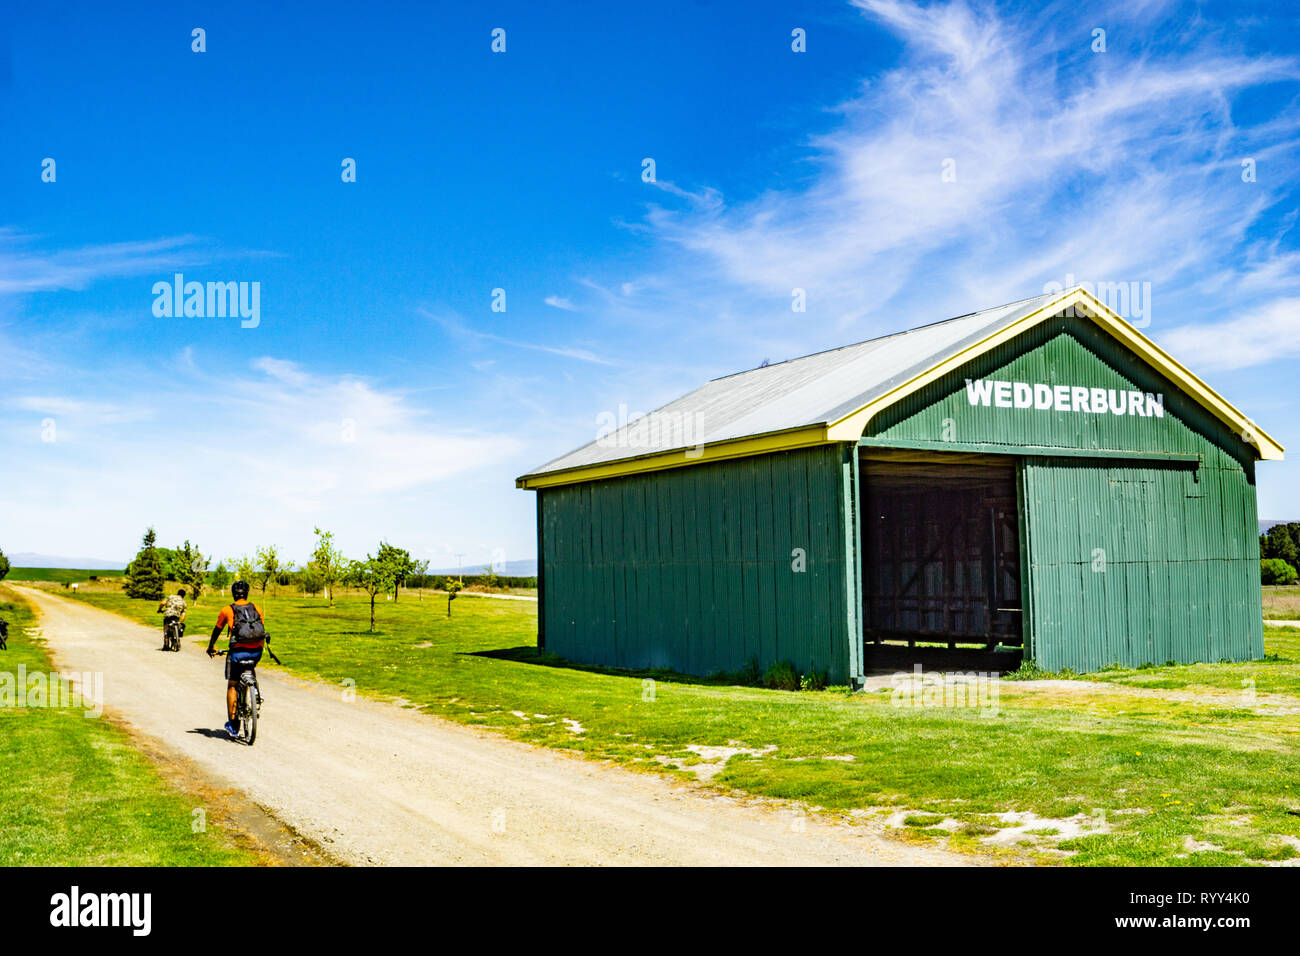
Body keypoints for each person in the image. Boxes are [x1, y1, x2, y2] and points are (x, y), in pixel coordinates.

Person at [205, 580, 269, 738]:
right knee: (249, 667)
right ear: (247, 593)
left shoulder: (227, 610)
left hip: (238, 653)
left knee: (232, 685)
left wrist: (211, 646)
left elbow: (217, 630)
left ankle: (234, 726)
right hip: (257, 652)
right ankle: (253, 689)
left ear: (233, 593)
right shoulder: (256, 608)